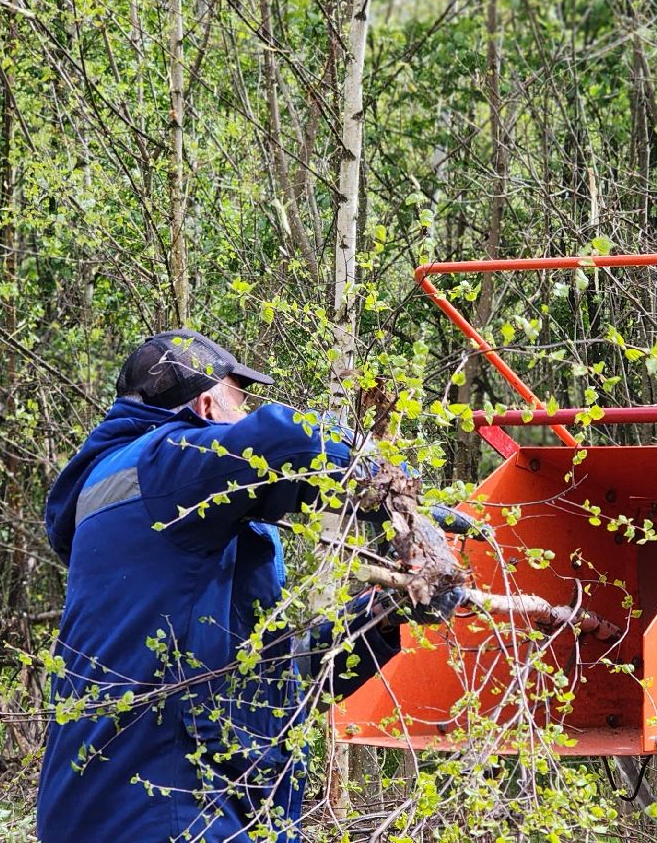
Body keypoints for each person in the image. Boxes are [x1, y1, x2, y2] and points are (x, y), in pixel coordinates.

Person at [37, 330, 433, 841]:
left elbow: (266, 676)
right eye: (238, 404)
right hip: (164, 810)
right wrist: (386, 483)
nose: (244, 418)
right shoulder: (160, 463)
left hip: (127, 808)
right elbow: (284, 439)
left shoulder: (163, 525)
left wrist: (383, 613)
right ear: (205, 405)